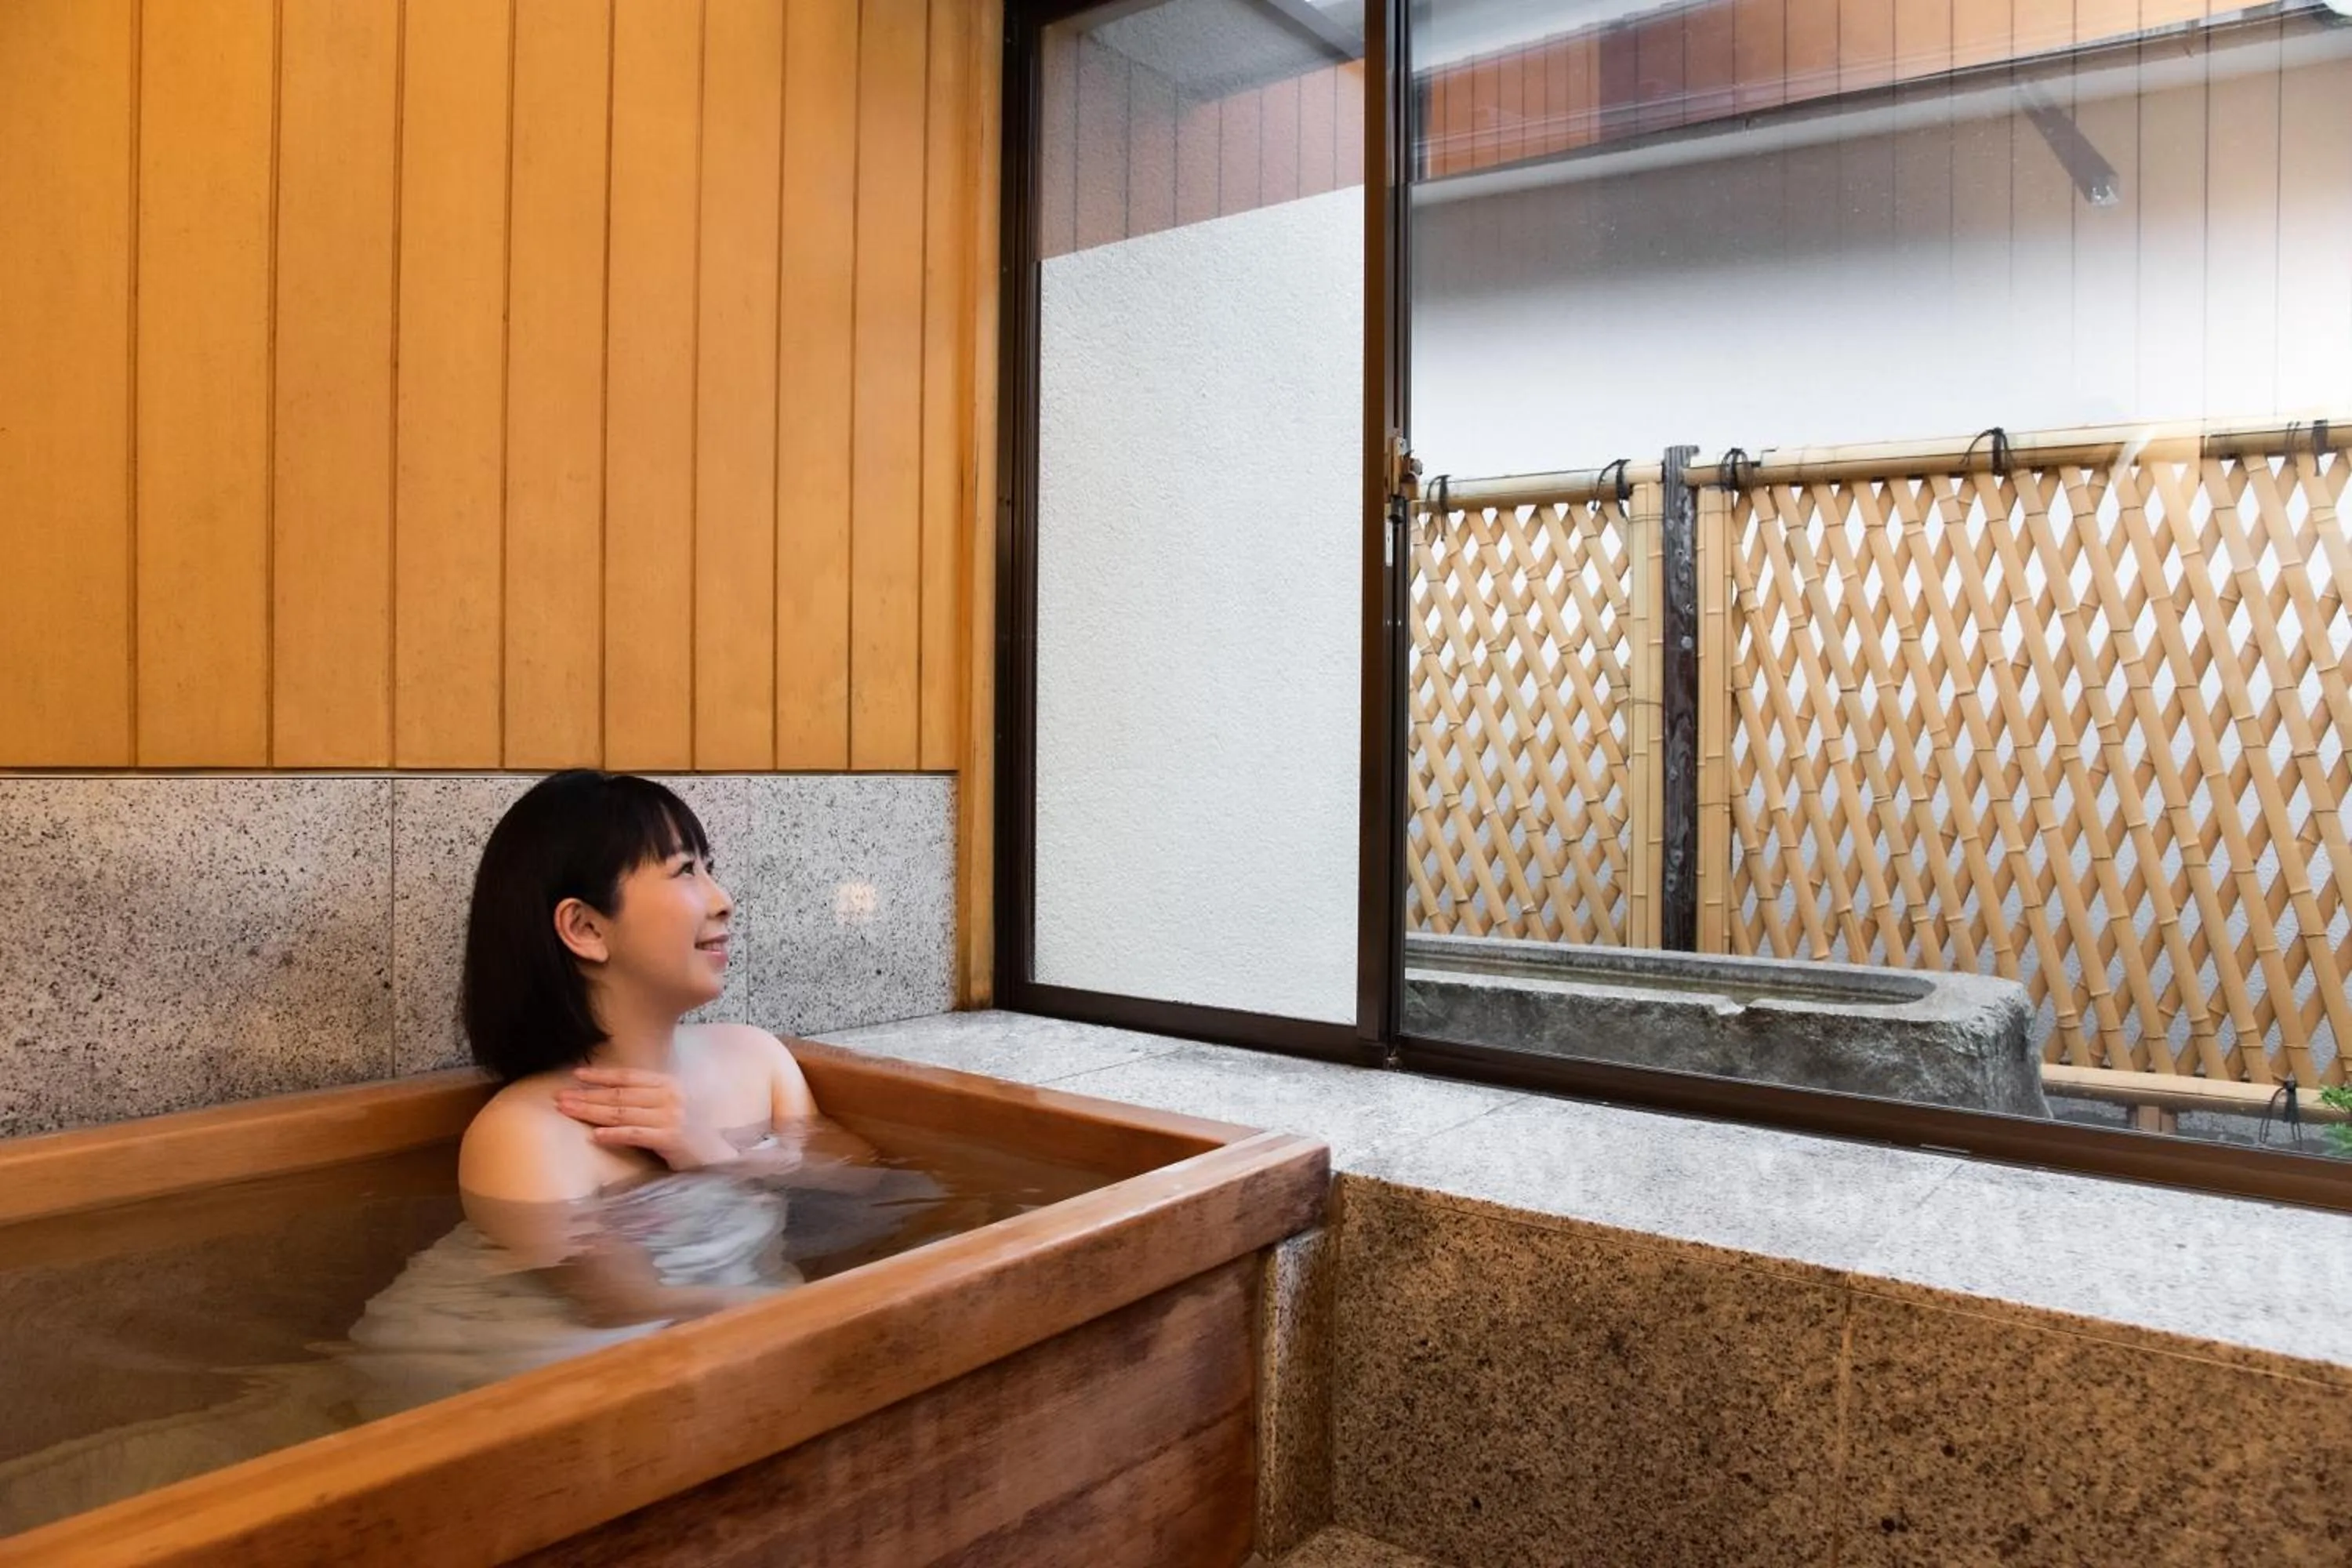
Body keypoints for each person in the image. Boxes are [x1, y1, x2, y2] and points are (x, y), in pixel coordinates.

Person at [343, 771, 882, 1411]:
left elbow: (862, 1179)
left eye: (710, 868)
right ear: (586, 929)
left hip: (718, 1341)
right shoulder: (529, 1131)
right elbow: (626, 1306)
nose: (722, 899)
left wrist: (720, 1156)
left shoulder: (755, 1059)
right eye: (685, 872)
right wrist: (853, 1330)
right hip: (524, 1370)